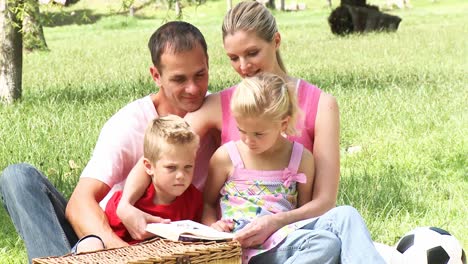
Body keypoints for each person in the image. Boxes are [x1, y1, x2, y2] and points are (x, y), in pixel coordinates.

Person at [117, 1, 385, 263]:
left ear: (276, 41)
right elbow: (163, 147)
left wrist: (275, 222)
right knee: (330, 247)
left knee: (346, 217)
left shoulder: (321, 104)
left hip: (293, 228)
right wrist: (125, 204)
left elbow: (325, 201)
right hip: (245, 238)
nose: (243, 67)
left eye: (252, 53)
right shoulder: (222, 104)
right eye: (233, 58)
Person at [0, 21, 214, 263]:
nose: (193, 88)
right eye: (179, 79)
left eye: (200, 74)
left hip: (181, 251)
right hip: (109, 240)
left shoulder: (218, 115)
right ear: (156, 76)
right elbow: (80, 203)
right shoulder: (129, 123)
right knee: (18, 177)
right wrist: (125, 255)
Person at [203, 73, 384, 263]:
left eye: (258, 133)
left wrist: (275, 222)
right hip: (247, 246)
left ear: (283, 123)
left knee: (347, 215)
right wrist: (213, 229)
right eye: (241, 130)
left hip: (286, 238)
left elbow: (304, 214)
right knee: (325, 243)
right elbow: (207, 203)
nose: (249, 140)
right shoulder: (227, 156)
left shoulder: (301, 158)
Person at [104, 115, 202, 245]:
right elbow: (107, 243)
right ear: (149, 167)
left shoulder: (194, 199)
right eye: (171, 167)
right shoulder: (129, 204)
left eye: (188, 167)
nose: (181, 175)